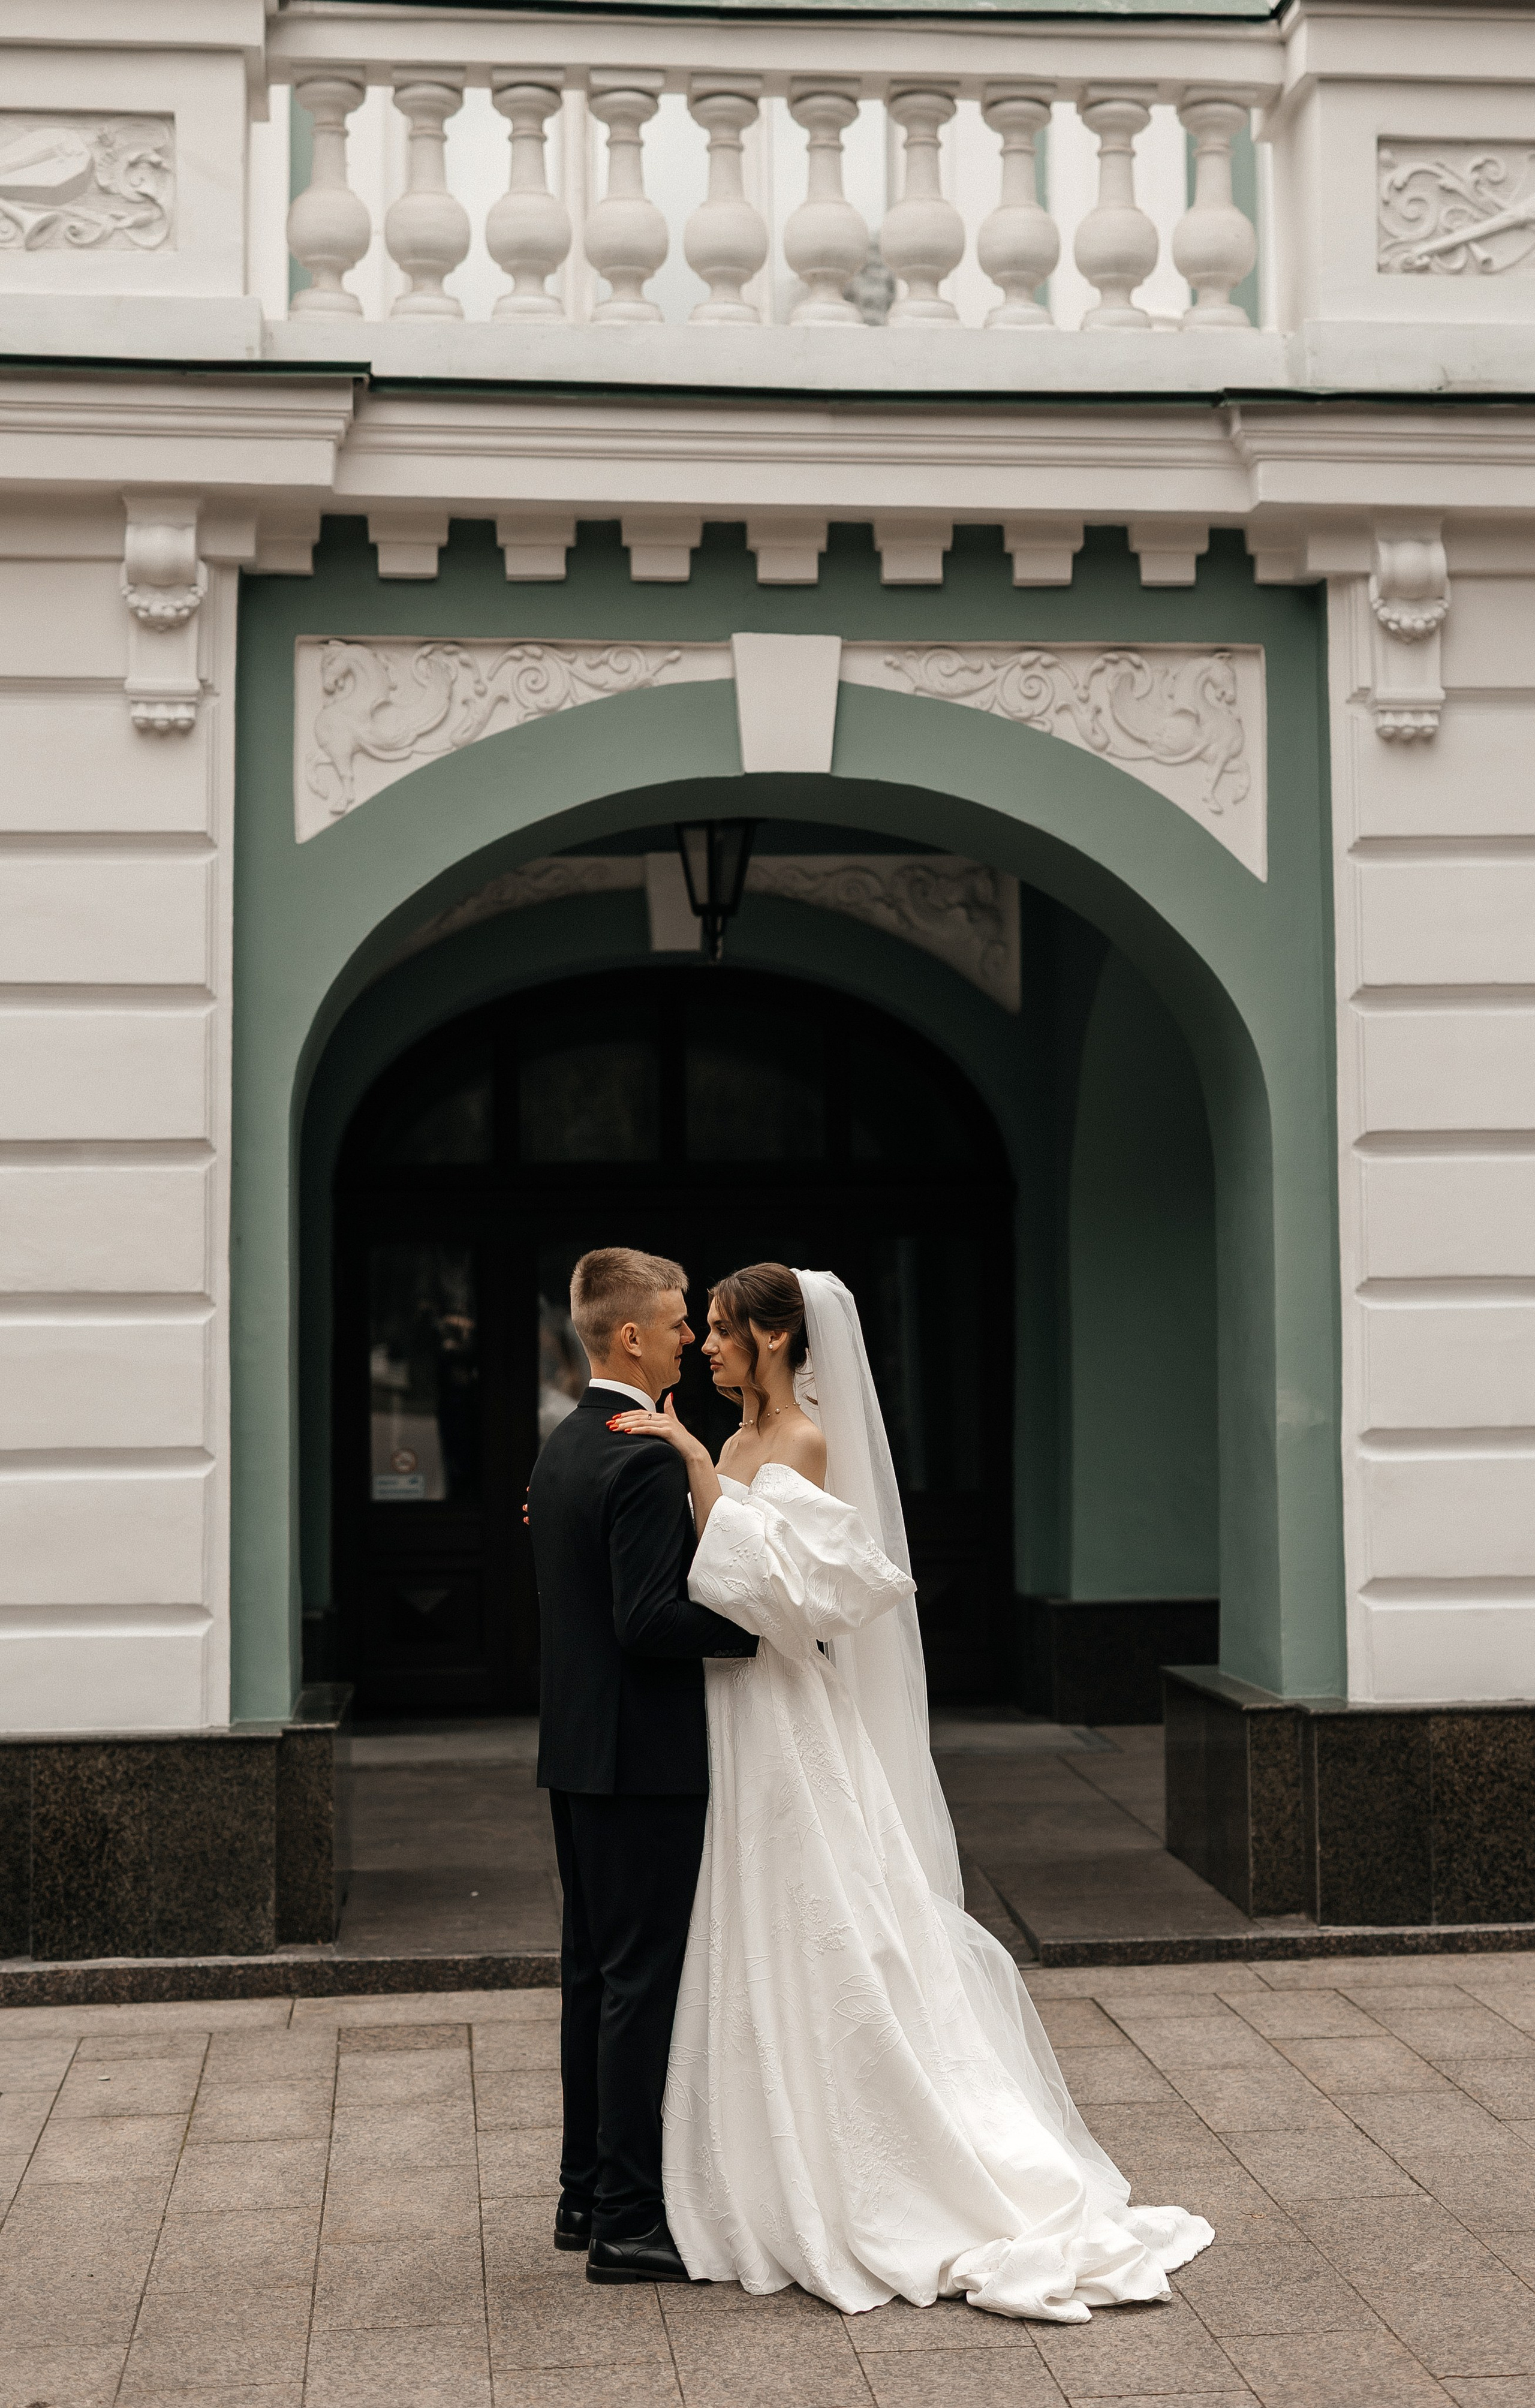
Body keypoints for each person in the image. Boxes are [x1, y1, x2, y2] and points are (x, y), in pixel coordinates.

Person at [609, 1263, 1214, 2322]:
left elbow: (788, 1598)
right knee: (752, 1908)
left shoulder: (800, 1442)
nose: (705, 1345)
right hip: (726, 1706)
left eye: (722, 1329)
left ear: (775, 1340)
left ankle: (894, 2164)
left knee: (820, 1903)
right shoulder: (735, 1439)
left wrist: (694, 1463)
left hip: (779, 1706)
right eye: (701, 1328)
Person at [524, 1247, 757, 2286]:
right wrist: (766, 1627)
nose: (688, 1337)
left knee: (592, 1975)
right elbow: (647, 1620)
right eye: (676, 1322)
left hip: (579, 1751)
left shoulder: (565, 1444)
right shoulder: (646, 1457)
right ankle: (626, 2222)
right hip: (642, 1760)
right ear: (630, 1336)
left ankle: (582, 2195)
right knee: (638, 1986)